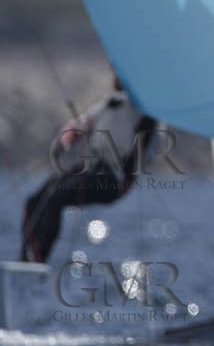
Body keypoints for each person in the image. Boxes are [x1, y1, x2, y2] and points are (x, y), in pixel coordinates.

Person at [20, 76, 159, 263]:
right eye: (113, 71)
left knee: (55, 199)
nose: (114, 76)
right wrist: (69, 136)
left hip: (113, 179)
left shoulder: (145, 112)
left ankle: (39, 262)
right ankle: (24, 261)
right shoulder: (110, 102)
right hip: (92, 167)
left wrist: (132, 165)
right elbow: (83, 122)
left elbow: (149, 149)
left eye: (119, 72)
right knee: (34, 201)